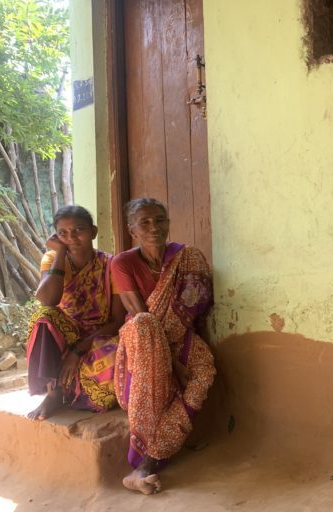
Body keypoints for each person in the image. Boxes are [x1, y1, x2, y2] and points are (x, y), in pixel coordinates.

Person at [111, 198, 215, 495]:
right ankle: (143, 459)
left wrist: (177, 360)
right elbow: (141, 314)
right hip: (143, 341)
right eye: (144, 222)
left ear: (168, 223)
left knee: (204, 370)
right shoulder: (123, 263)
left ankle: (147, 463)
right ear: (132, 230)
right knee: (144, 324)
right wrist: (171, 363)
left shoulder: (188, 257)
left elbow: (194, 307)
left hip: (181, 336)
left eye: (159, 220)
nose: (153, 227)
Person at [26, 205, 125, 420]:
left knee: (119, 355)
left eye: (78, 230)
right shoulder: (52, 260)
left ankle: (77, 392)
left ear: (93, 232)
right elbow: (47, 300)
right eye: (63, 233)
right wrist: (60, 253)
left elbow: (117, 320)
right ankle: (54, 394)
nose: (71, 238)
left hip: (100, 336)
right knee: (44, 316)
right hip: (66, 333)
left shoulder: (111, 265)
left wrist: (79, 349)